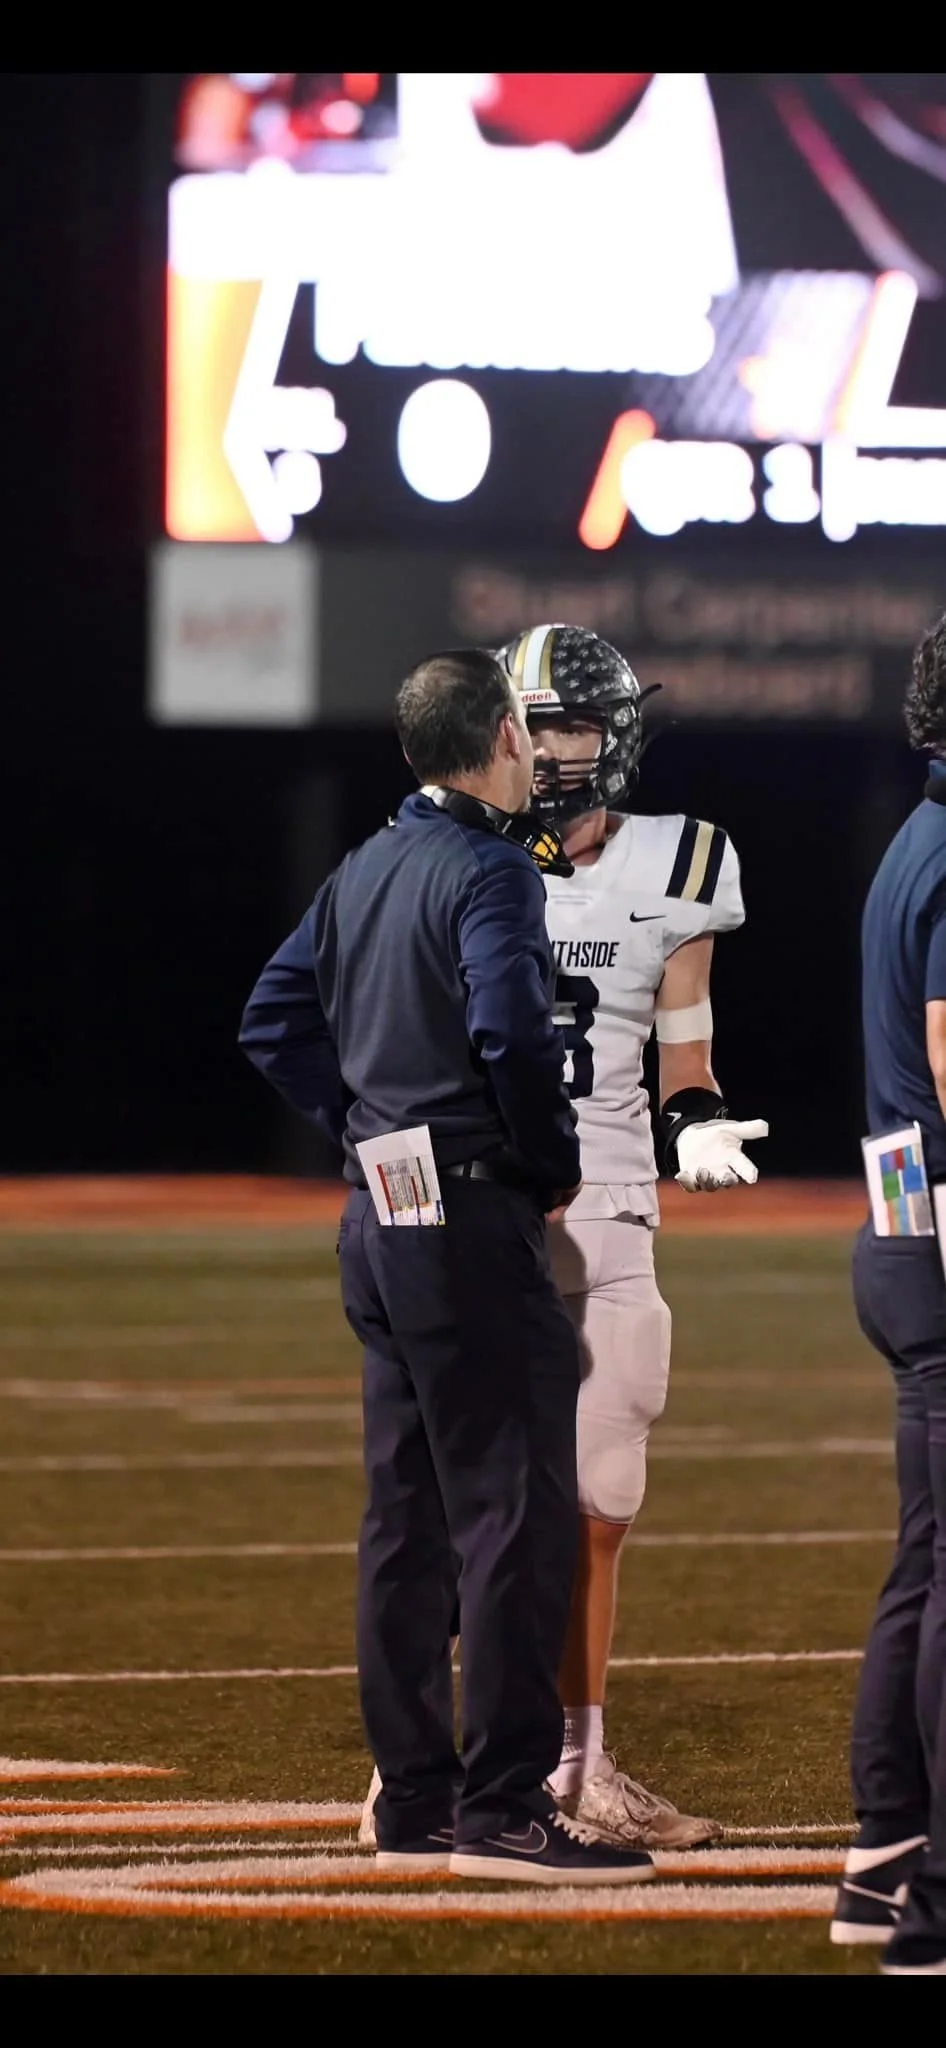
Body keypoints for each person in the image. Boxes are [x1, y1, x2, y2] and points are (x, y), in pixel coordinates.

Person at [238, 646, 656, 1887]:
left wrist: (370, 1127)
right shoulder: (488, 870)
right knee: (511, 1512)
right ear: (498, 742)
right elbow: (507, 1032)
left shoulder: (364, 864)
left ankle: (414, 1795)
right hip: (466, 1219)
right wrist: (542, 1156)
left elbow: (271, 1017)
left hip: (378, 1215)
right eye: (525, 733)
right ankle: (506, 1807)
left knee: (405, 1522)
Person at [359, 623, 767, 1854]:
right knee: (455, 1494)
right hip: (489, 1197)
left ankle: (576, 1760)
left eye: (573, 725)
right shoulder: (459, 857)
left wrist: (691, 1122)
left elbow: (681, 1047)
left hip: (603, 1197)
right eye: (531, 727)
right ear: (500, 733)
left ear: (617, 732)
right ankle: (423, 1769)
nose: (550, 750)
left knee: (596, 1492)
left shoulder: (679, 859)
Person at [829, 611, 946, 1974]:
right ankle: (930, 1905)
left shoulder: (910, 840)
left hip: (899, 1226)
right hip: (930, 1234)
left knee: (925, 1565)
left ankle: (884, 1857)